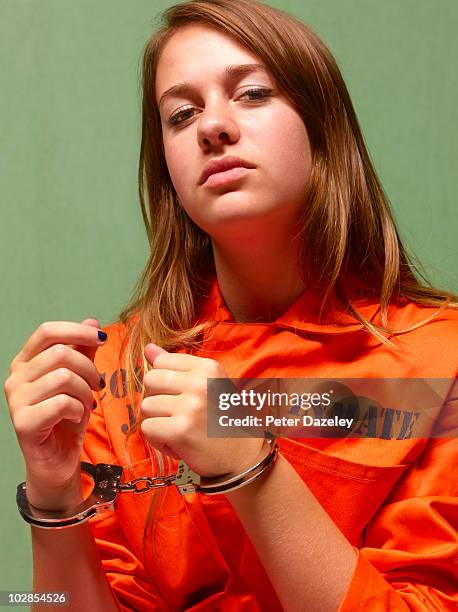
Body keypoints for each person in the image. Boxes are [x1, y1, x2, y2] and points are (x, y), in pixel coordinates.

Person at [4, 0, 457, 610]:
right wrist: (55, 497)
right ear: (165, 165)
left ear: (322, 126)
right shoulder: (116, 373)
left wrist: (248, 461)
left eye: (251, 93)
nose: (212, 127)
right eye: (181, 113)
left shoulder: (442, 360)